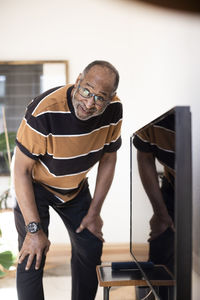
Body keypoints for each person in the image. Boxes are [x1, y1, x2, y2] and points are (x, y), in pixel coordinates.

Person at [13, 60, 123, 300]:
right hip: (35, 187)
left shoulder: (114, 110)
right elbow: (20, 170)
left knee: (91, 244)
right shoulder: (43, 111)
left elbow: (109, 159)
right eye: (86, 91)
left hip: (74, 189)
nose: (89, 103)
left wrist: (94, 212)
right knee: (33, 254)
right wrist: (34, 231)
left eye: (100, 98)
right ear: (78, 81)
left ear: (110, 98)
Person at [133, 111, 175, 300]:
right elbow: (145, 157)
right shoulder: (152, 119)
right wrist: (160, 212)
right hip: (174, 184)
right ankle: (157, 294)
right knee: (162, 237)